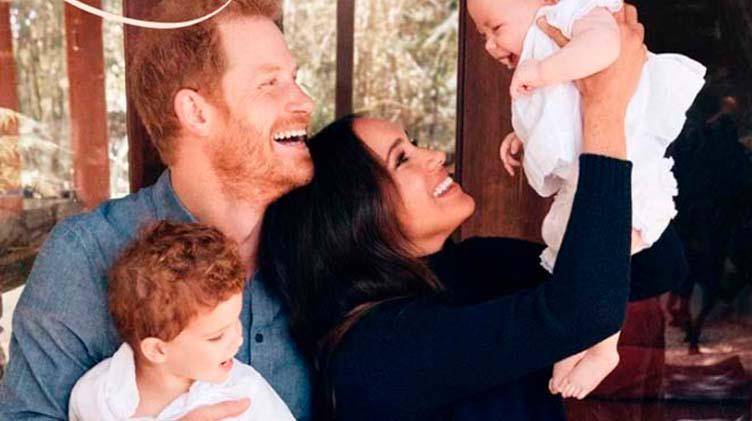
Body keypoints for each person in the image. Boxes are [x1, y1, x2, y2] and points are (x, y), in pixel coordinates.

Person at [259, 6, 687, 420]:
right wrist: (603, 110)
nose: (434, 155)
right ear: (353, 218)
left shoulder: (474, 266)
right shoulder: (376, 351)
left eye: (413, 144)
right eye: (402, 159)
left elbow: (653, 268)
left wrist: (588, 128)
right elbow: (582, 312)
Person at [0, 1, 314, 419]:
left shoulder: (317, 241)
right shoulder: (85, 255)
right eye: (269, 83)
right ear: (196, 112)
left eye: (294, 79)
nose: (305, 101)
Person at [467, 0, 705, 397]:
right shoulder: (546, 45)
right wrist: (525, 137)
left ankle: (603, 348)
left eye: (496, 28)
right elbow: (564, 111)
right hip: (590, 174)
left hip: (630, 171)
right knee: (574, 256)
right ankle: (578, 339)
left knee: (600, 258)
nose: (490, 45)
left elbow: (605, 47)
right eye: (482, 36)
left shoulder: (571, 14)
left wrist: (542, 72)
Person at [68, 221, 295, 420]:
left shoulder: (244, 391)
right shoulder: (96, 396)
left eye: (236, 321)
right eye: (216, 337)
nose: (238, 340)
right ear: (157, 350)